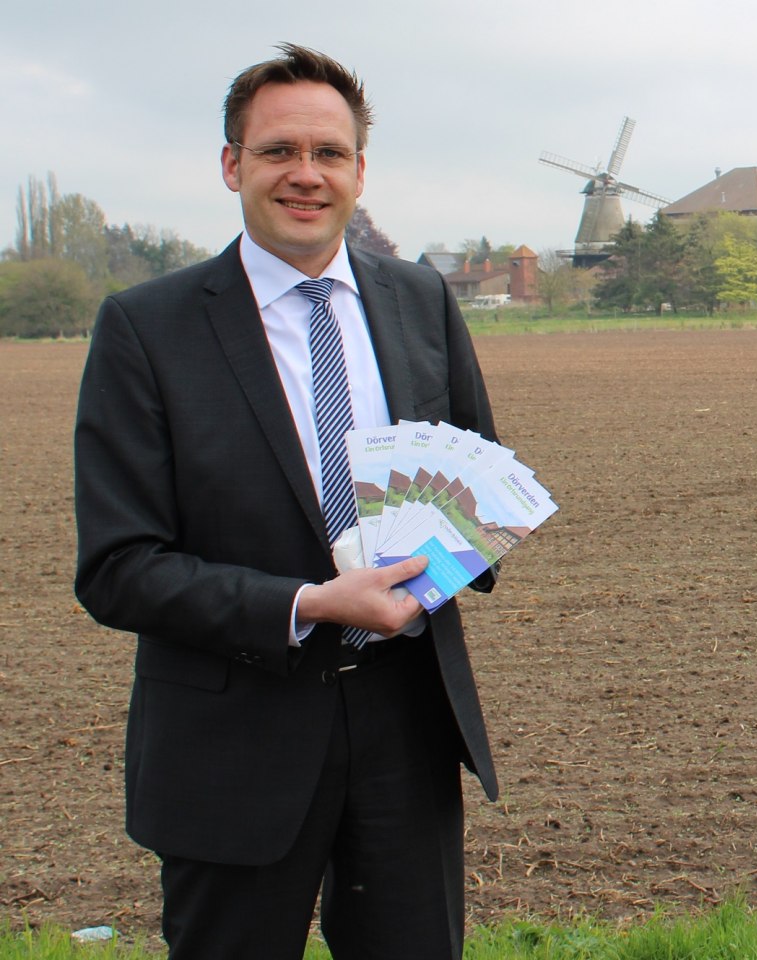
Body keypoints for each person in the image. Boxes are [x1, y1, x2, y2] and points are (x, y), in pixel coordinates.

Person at [73, 44, 498, 959]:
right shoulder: (147, 329)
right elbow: (117, 569)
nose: (305, 175)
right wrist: (306, 605)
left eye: (328, 153)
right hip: (234, 742)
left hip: (406, 731)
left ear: (358, 171)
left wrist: (469, 541)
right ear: (232, 165)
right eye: (277, 152)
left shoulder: (422, 301)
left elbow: (475, 468)